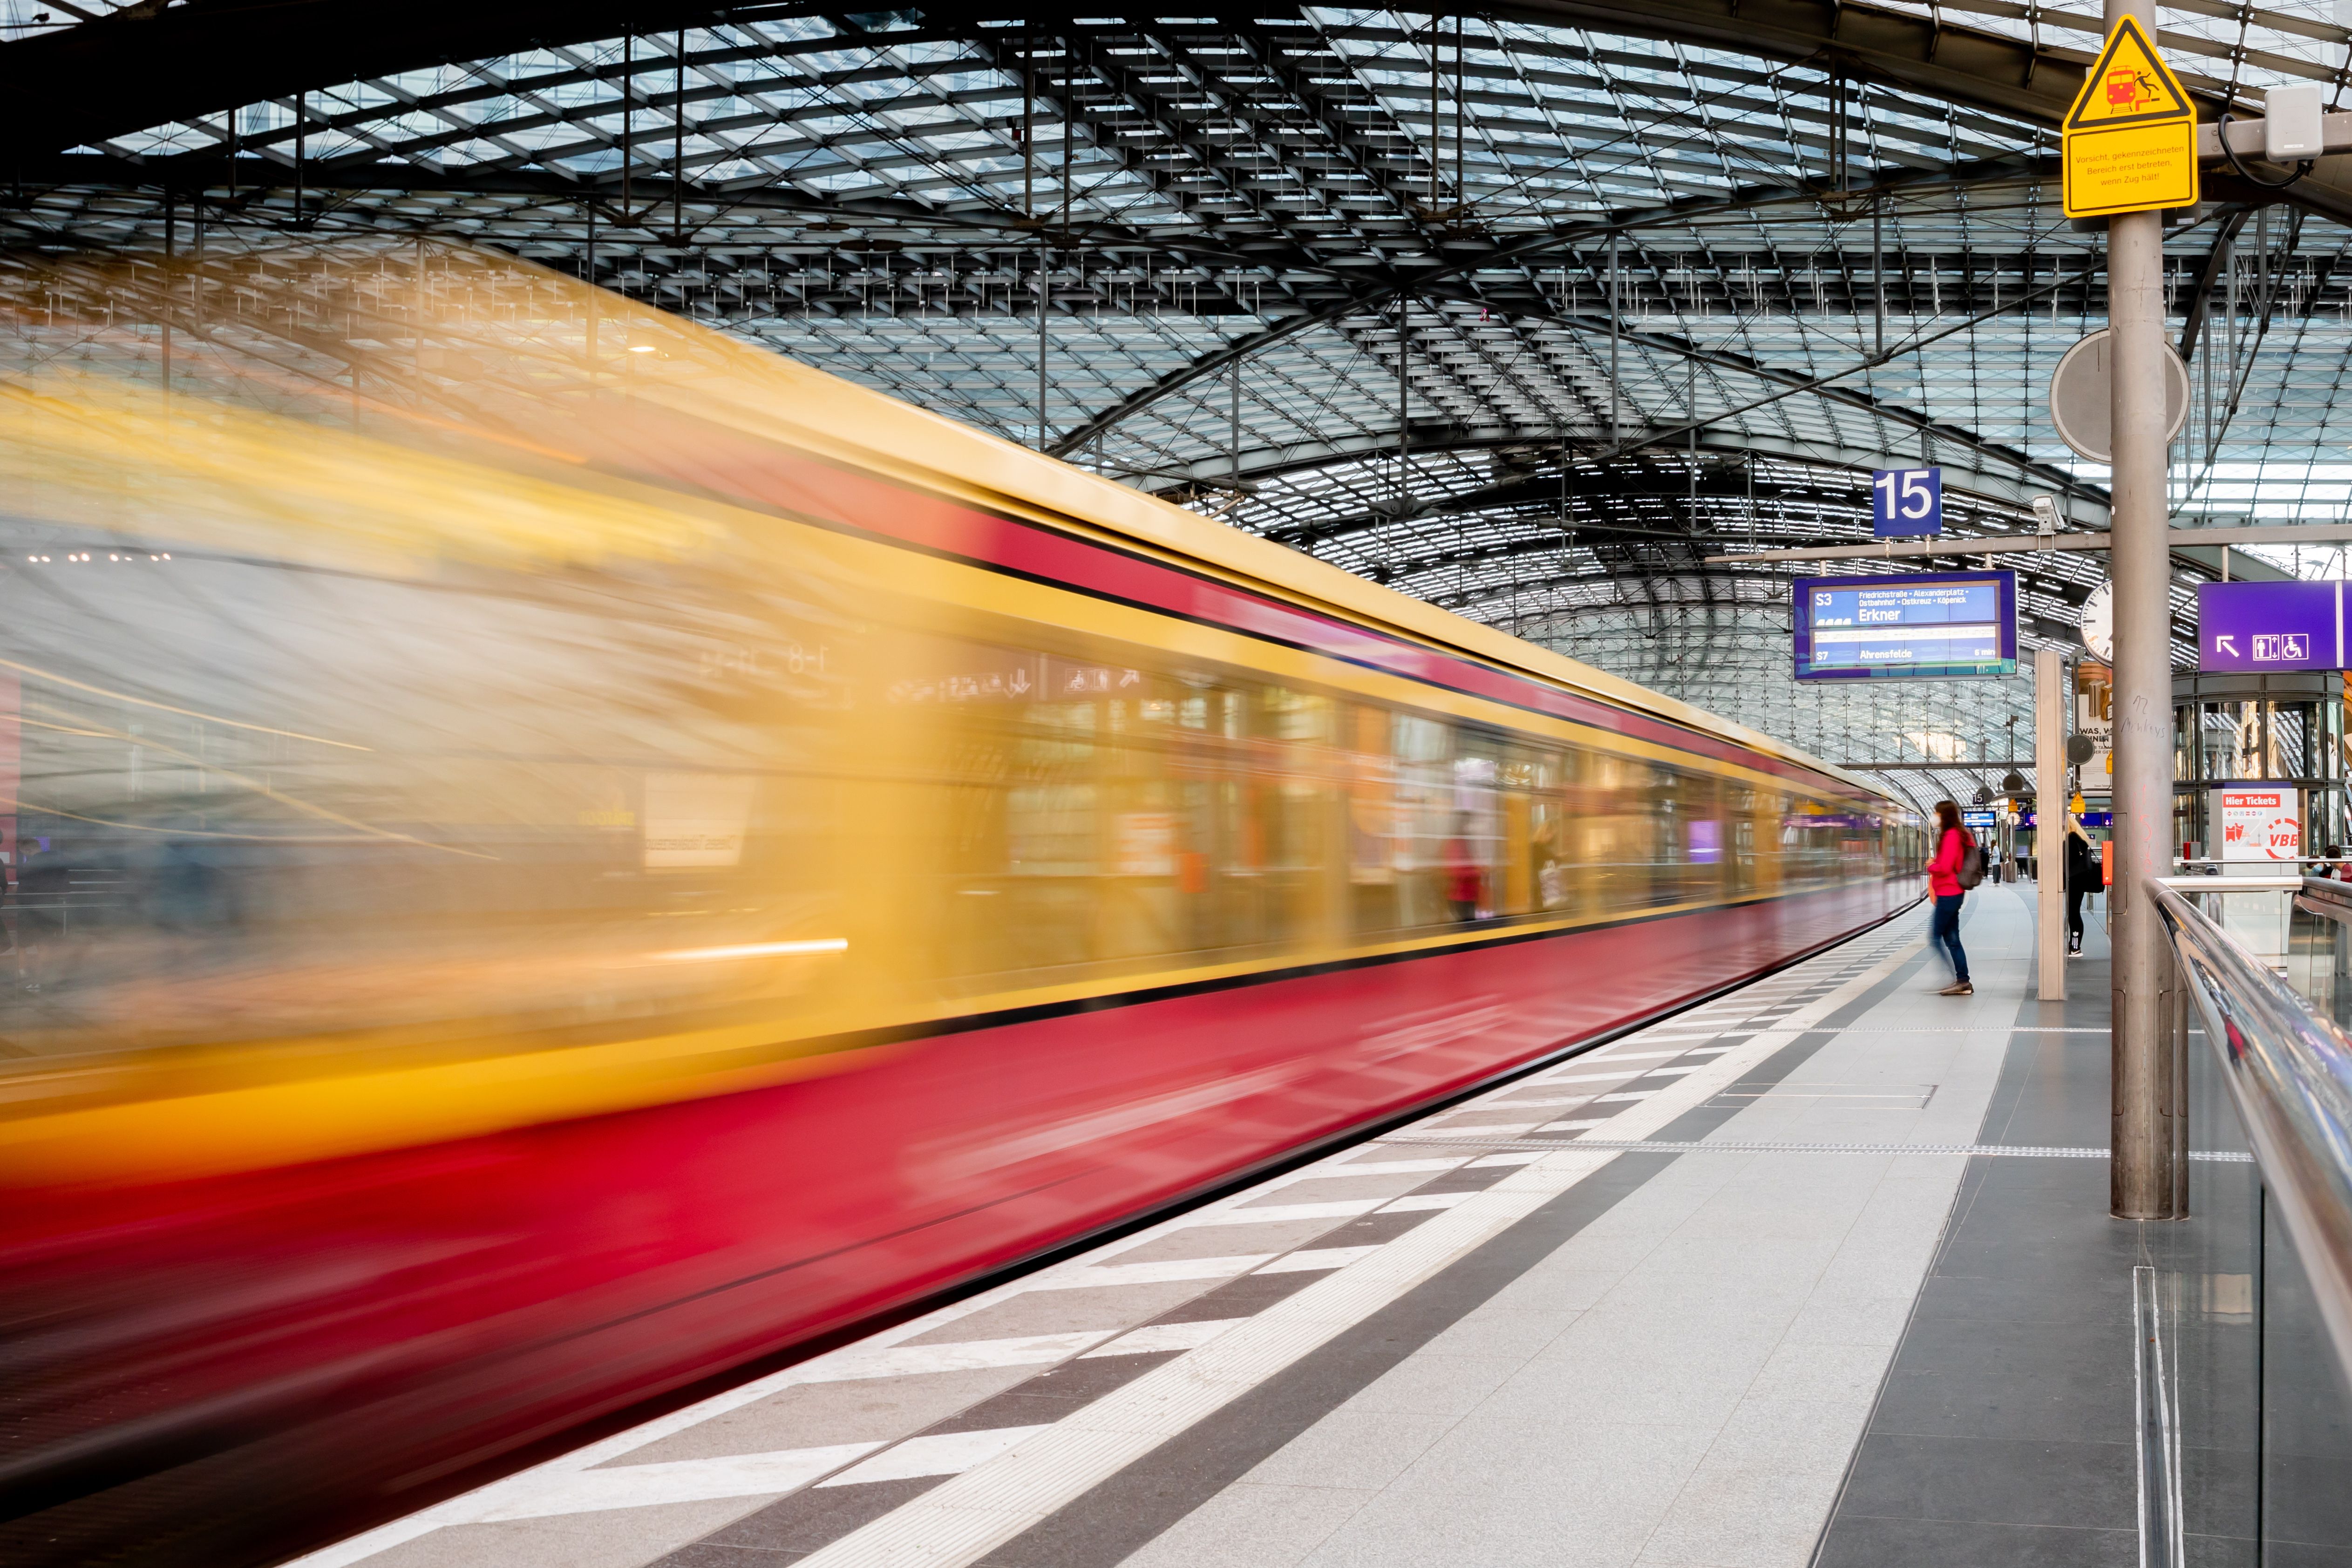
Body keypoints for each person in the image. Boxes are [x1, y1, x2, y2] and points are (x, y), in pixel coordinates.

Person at [1926, 800, 1974, 996]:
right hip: (1952, 893)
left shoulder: (1952, 836)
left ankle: (1958, 980)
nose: (1934, 816)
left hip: (1949, 893)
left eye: (1936, 813)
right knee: (1952, 939)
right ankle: (1962, 981)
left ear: (1943, 815)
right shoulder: (1956, 834)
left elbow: (1945, 867)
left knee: (1935, 938)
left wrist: (1931, 865)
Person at [2064, 816, 2097, 957]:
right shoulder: (2079, 838)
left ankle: (2076, 947)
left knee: (2074, 913)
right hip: (2079, 880)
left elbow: (2069, 862)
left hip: (2075, 881)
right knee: (2074, 912)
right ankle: (2074, 945)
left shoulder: (2071, 839)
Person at [1442, 813, 1482, 923]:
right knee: (1466, 931)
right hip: (1460, 896)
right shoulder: (1455, 844)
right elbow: (1456, 872)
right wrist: (1478, 872)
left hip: (1469, 895)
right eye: (1469, 823)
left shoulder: (1466, 843)